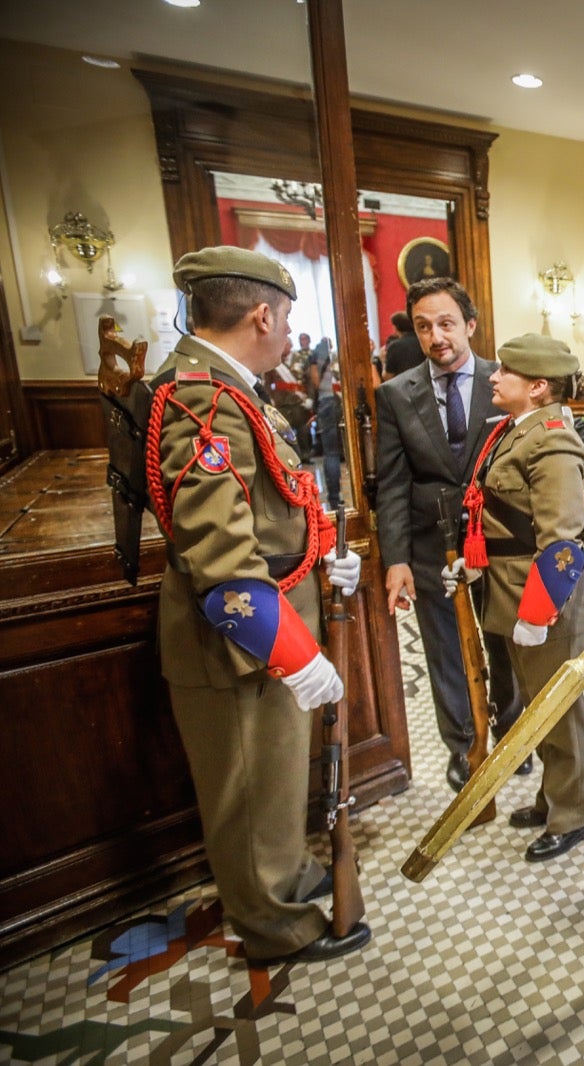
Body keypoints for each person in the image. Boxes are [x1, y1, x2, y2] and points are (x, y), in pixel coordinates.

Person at [375, 277, 584, 801]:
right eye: (423, 326)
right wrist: (396, 558)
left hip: (503, 549)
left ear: (470, 325)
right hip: (436, 547)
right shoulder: (396, 394)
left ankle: (512, 739)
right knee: (447, 651)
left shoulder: (509, 379)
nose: (436, 336)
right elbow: (392, 481)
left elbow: (571, 431)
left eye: (446, 323)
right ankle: (464, 748)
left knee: (512, 651)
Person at [148, 245, 369, 964]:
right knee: (247, 792)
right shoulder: (201, 398)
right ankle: (274, 927)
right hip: (239, 638)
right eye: (288, 319)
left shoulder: (230, 388)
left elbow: (272, 500)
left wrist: (318, 555)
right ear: (263, 313)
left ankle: (286, 876)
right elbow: (221, 560)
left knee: (274, 781)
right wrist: (296, 654)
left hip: (272, 616)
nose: (288, 334)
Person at [443, 334, 584, 861]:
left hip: (543, 599)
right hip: (511, 589)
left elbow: (561, 544)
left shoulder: (552, 439)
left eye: (505, 371)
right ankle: (551, 794)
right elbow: (502, 515)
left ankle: (574, 814)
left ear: (536, 387)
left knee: (557, 710)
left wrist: (539, 610)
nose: (492, 376)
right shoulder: (518, 430)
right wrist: (473, 561)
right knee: (537, 705)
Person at [305, 335, 342, 509]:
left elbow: (315, 381)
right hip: (344, 402)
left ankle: (334, 498)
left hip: (327, 402)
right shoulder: (339, 356)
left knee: (331, 453)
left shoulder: (316, 359)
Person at [382, 309, 424, 379]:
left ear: (395, 327)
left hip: (403, 386)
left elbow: (388, 376)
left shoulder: (395, 346)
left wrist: (383, 361)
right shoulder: (423, 341)